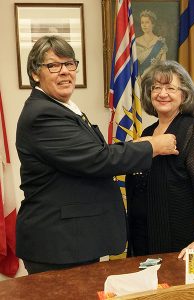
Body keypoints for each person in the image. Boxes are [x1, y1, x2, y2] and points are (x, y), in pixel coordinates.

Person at [15, 35, 178, 274]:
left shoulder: (61, 107)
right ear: (35, 73)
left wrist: (139, 144)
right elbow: (97, 159)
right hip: (60, 245)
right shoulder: (43, 114)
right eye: (53, 65)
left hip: (74, 241)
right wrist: (153, 146)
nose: (64, 72)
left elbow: (89, 154)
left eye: (70, 64)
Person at [126, 60, 194, 260]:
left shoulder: (193, 131)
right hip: (146, 241)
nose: (162, 94)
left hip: (185, 245)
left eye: (170, 88)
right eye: (157, 88)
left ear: (184, 94)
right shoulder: (147, 133)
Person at [136, 10, 168, 76]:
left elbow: (163, 66)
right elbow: (131, 65)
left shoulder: (160, 42)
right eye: (142, 23)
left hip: (156, 78)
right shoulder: (136, 42)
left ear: (153, 24)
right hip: (139, 79)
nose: (144, 25)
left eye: (147, 22)